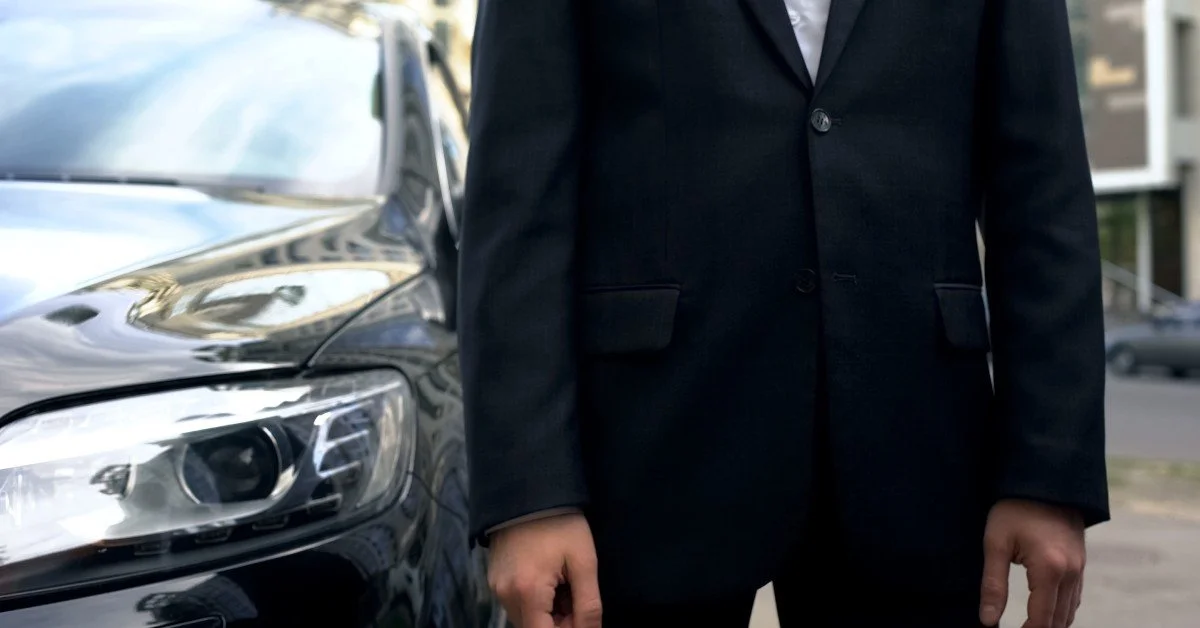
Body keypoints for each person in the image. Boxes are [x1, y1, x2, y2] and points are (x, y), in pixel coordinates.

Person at [458, 0, 1108, 626]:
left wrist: (1049, 474)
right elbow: (519, 194)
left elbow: (1042, 188)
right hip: (646, 466)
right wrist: (529, 495)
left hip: (916, 452)